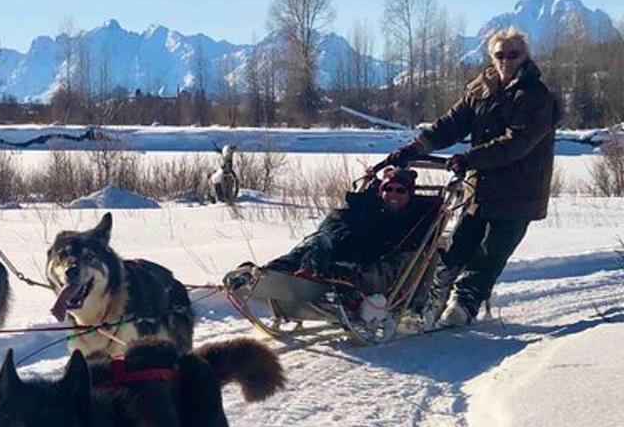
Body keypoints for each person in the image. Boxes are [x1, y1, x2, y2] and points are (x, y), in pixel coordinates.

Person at [388, 27, 559, 326]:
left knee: (489, 254)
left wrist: (468, 159)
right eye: (500, 55)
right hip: (480, 189)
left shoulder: (536, 97)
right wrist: (417, 147)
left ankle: (464, 305)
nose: (506, 60)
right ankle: (431, 302)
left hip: (520, 192)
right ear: (491, 57)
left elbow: (516, 143)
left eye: (513, 55)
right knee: (456, 247)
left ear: (525, 57)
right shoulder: (480, 89)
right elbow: (451, 124)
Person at [226, 166, 436, 300]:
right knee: (318, 240)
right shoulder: (369, 207)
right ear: (381, 191)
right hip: (341, 247)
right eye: (388, 189)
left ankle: (307, 274)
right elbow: (343, 219)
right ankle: (266, 273)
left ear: (410, 194)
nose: (393, 195)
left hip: (368, 261)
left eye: (400, 191)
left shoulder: (413, 218)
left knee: (327, 245)